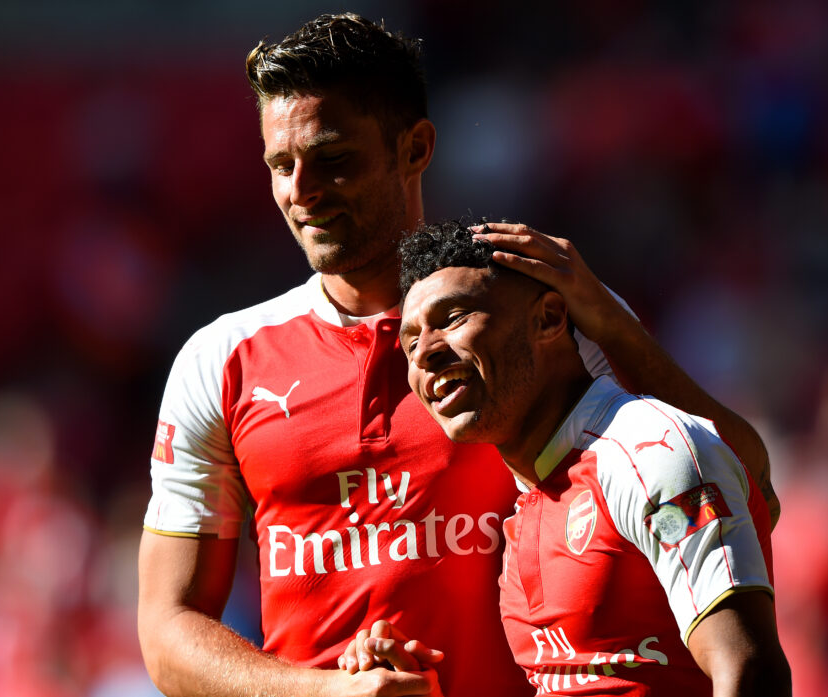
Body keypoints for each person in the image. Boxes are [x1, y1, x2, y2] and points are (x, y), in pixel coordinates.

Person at [136, 12, 779, 697]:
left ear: (415, 148)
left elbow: (740, 482)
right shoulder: (223, 361)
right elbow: (167, 629)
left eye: (333, 158)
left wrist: (617, 330)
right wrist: (324, 691)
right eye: (280, 165)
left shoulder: (541, 311)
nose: (301, 190)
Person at [389, 220, 791, 696]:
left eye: (454, 317)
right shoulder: (528, 507)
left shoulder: (649, 453)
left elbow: (750, 670)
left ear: (550, 318)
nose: (426, 355)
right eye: (410, 343)